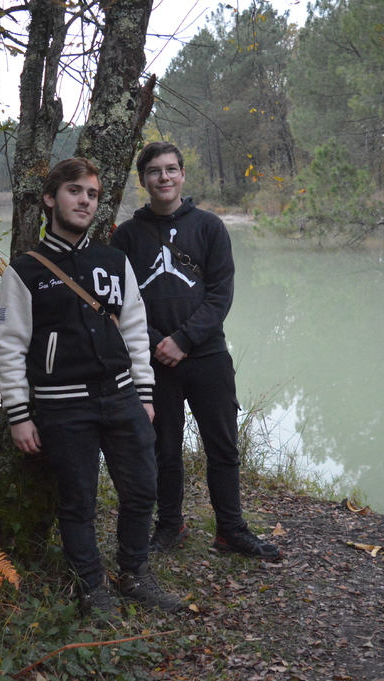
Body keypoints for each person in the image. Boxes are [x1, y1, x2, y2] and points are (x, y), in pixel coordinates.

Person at [0, 157, 183, 623]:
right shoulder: (25, 271)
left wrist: (144, 395)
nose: (84, 201)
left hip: (121, 397)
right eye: (75, 191)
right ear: (50, 198)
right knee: (78, 501)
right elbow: (10, 346)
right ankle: (92, 588)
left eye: (92, 194)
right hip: (62, 405)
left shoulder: (114, 261)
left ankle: (135, 574)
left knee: (142, 490)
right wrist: (19, 414)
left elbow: (135, 329)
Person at [110, 141, 284, 560]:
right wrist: (157, 342)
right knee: (163, 449)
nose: (164, 177)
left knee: (222, 447)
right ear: (143, 180)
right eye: (155, 171)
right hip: (154, 362)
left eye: (171, 169)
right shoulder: (127, 237)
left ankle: (231, 531)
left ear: (183, 174)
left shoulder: (209, 227)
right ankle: (171, 525)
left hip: (208, 356)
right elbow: (120, 301)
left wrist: (184, 339)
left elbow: (221, 293)